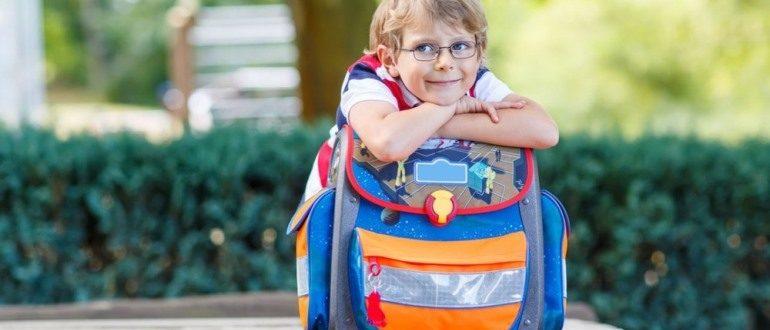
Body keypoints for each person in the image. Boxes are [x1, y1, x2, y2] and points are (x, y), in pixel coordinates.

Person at [302, 0, 558, 200]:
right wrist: (451, 107)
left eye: (460, 46)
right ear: (390, 59)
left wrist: (441, 120)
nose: (446, 63)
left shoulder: (474, 78)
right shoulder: (369, 79)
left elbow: (544, 131)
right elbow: (388, 143)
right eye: (424, 48)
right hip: (347, 210)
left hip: (431, 213)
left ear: (478, 53)